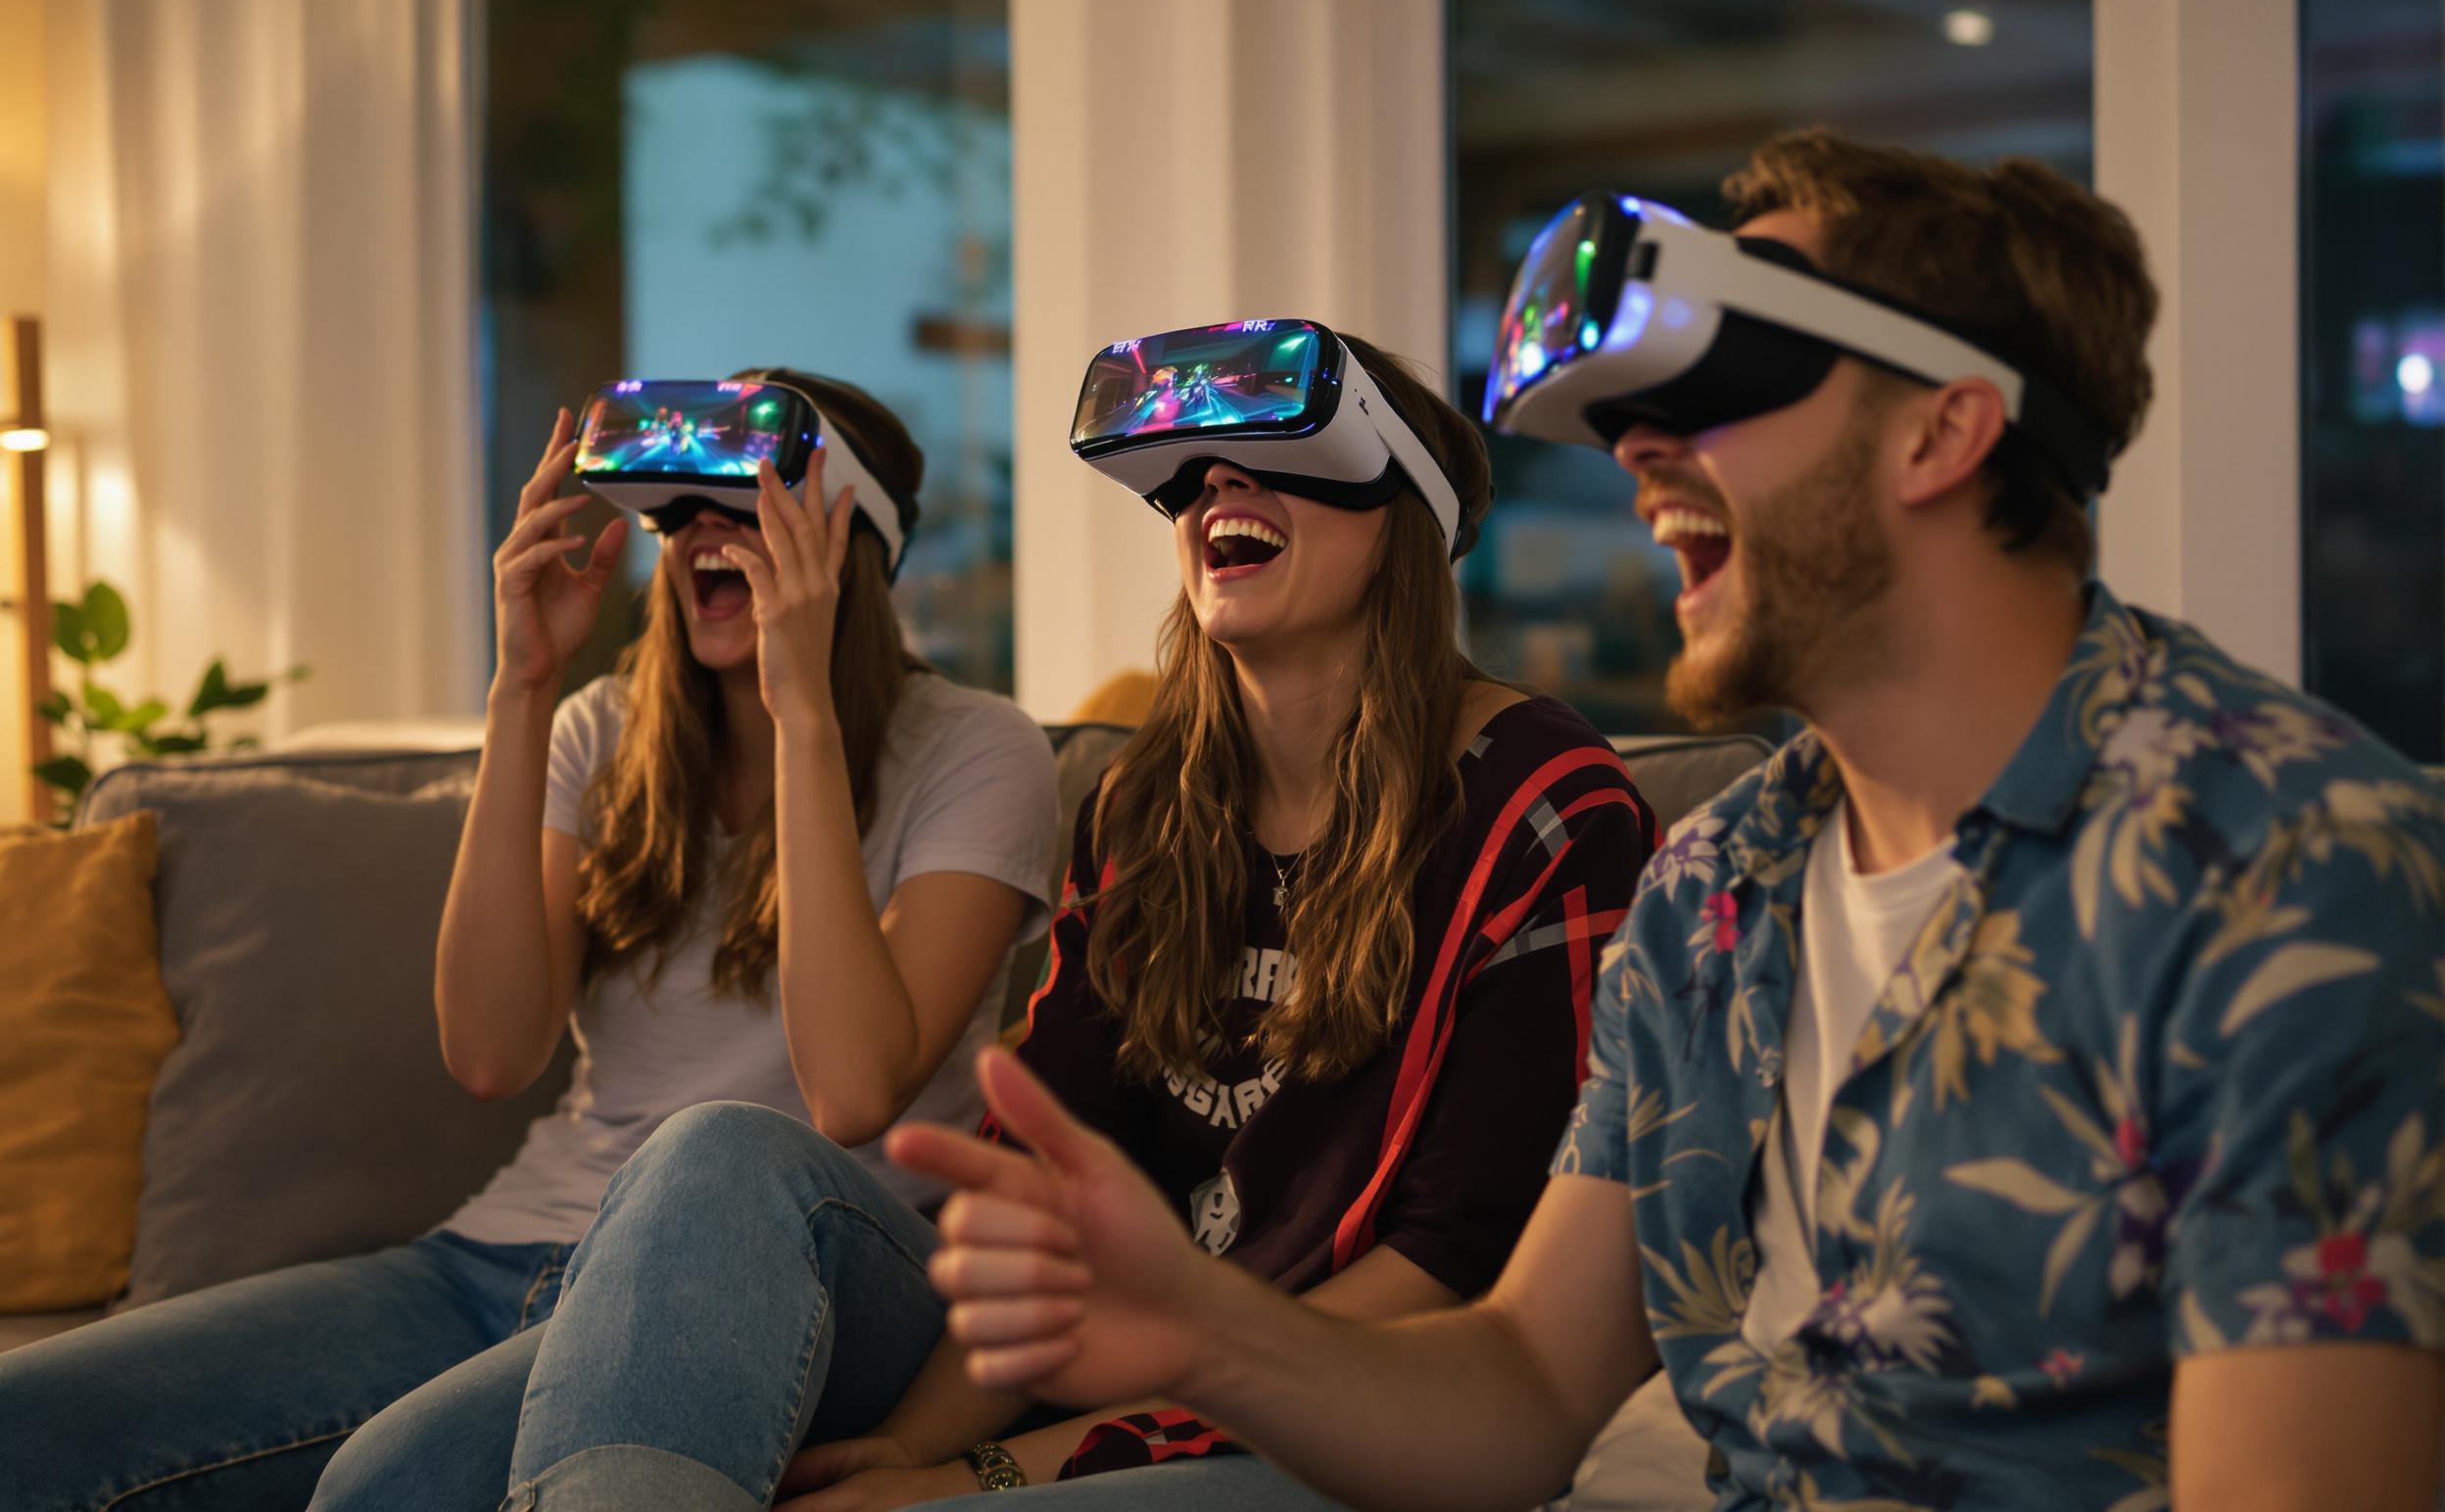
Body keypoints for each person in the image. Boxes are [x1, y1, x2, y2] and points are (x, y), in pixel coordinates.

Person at [899, 133, 2445, 1511]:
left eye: (1720, 385)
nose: (1639, 454)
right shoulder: (1725, 884)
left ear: (1943, 432)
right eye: (1637, 411)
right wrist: (1205, 1330)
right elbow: (1517, 1392)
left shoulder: (2288, 877)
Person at [473, 332, 1659, 1511]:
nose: (1216, 488)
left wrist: (975, 1471)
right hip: (1119, 1369)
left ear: (1403, 512)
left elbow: (1458, 1263)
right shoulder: (1149, 809)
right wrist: (914, 1445)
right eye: (1190, 474)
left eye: (1275, 453)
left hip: (1361, 1411)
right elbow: (1044, 1175)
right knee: (395, 1472)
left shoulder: (1544, 807)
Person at [0, 371, 1061, 1512]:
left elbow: (851, 1090)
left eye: (747, 504)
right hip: (510, 1252)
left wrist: (799, 705)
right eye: (682, 508)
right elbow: (492, 1048)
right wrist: (524, 681)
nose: (704, 529)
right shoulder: (600, 729)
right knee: (26, 1422)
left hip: (778, 1266)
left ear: (850, 545)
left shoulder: (977, 749)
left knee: (388, 1490)